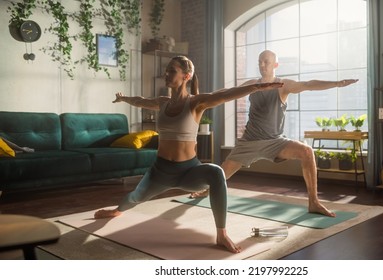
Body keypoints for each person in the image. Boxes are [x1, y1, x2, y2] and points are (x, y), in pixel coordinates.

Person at [94, 55, 283, 254]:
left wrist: (257, 87)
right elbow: (141, 101)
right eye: (167, 70)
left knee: (216, 173)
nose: (167, 74)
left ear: (186, 76)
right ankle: (116, 211)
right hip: (160, 172)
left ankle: (221, 234)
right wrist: (123, 98)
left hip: (188, 172)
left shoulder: (196, 103)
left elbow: (227, 94)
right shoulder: (163, 102)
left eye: (172, 71)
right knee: (133, 198)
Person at [190, 50, 358, 217]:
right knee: (222, 173)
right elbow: (227, 92)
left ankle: (313, 202)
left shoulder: (283, 85)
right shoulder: (252, 84)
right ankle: (206, 191)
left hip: (274, 142)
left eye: (266, 62)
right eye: (260, 62)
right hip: (249, 141)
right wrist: (203, 98)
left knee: (307, 151)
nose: (262, 65)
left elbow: (308, 85)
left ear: (275, 65)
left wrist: (337, 83)